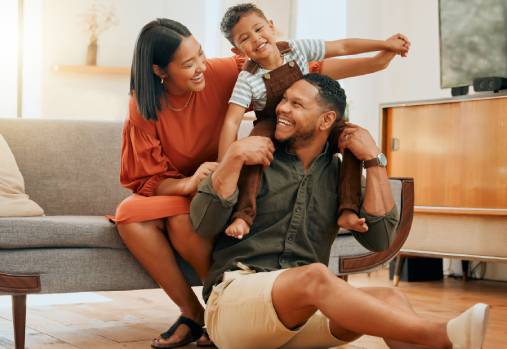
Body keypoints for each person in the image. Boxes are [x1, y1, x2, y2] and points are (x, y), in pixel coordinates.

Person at [111, 17, 404, 349]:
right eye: (188, 64)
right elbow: (148, 177)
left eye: (201, 55)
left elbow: (299, 66)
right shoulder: (145, 106)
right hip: (200, 182)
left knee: (183, 220)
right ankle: (198, 310)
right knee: (132, 215)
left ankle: (215, 310)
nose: (200, 68)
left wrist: (381, 58)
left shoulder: (225, 71)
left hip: (229, 179)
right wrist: (212, 171)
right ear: (160, 71)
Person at [190, 74, 490, 349]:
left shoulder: (340, 177)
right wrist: (233, 157)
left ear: (326, 120)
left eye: (296, 104)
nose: (282, 108)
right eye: (284, 100)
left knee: (390, 297)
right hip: (235, 304)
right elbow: (203, 224)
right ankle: (441, 336)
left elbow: (380, 239)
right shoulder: (253, 157)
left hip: (301, 316)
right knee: (316, 276)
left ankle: (441, 343)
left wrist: (374, 160)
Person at [217, 3, 410, 240]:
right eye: (245, 38)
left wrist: (384, 44)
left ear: (271, 26)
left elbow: (342, 46)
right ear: (237, 51)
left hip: (311, 114)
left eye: (258, 29)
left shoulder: (297, 49)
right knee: (253, 151)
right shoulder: (247, 78)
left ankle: (347, 210)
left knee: (352, 138)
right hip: (272, 121)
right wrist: (224, 164)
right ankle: (243, 215)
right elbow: (231, 122)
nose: (256, 39)